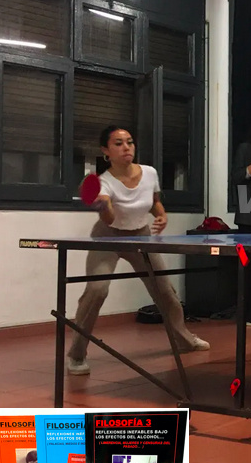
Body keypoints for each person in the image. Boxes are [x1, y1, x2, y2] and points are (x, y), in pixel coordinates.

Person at [67, 126, 209, 375]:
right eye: (118, 143)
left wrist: (162, 216)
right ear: (105, 151)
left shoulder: (150, 173)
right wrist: (102, 206)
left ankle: (184, 339)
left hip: (141, 235)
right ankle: (76, 355)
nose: (126, 147)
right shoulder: (104, 183)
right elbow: (110, 219)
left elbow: (153, 202)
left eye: (130, 142)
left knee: (165, 291)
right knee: (97, 290)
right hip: (108, 238)